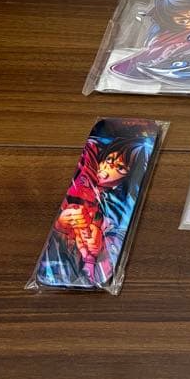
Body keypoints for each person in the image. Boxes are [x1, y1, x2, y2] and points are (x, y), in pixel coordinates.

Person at [39, 122, 155, 287]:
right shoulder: (84, 179)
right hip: (59, 258)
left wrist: (100, 244)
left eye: (120, 168)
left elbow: (115, 232)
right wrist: (60, 226)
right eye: (108, 159)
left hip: (93, 262)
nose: (107, 167)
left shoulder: (116, 204)